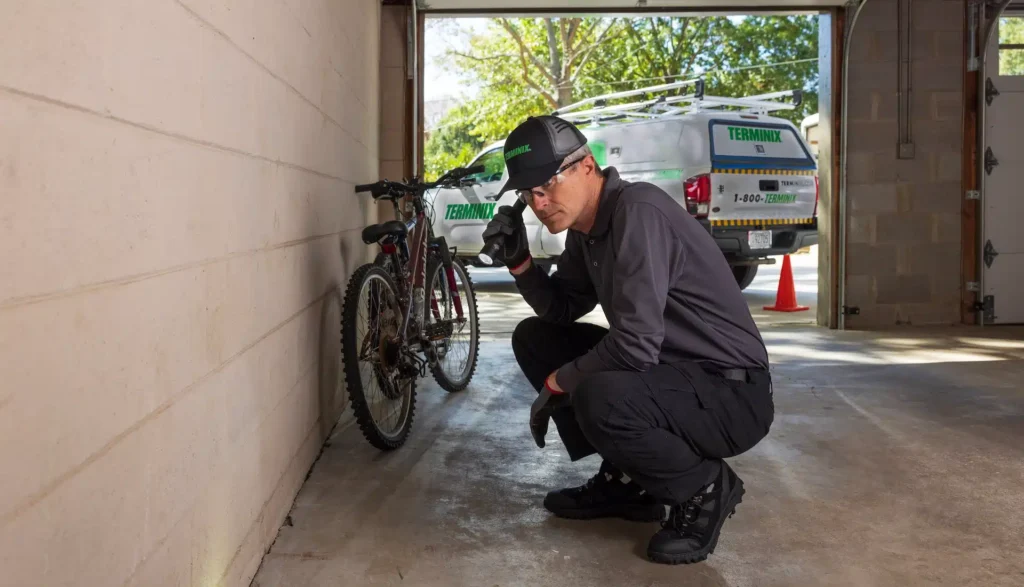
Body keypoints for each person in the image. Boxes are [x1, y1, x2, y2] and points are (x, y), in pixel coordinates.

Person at [481, 115, 774, 565]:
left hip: (731, 392)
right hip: (672, 373)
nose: (538, 203)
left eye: (546, 185)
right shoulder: (587, 230)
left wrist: (560, 382)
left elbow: (635, 346)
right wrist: (520, 262)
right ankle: (630, 483)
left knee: (599, 393)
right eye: (527, 194)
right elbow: (562, 310)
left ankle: (706, 488)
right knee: (536, 339)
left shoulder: (638, 212)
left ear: (586, 165)